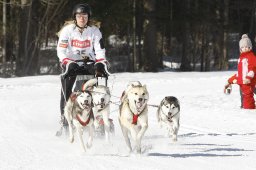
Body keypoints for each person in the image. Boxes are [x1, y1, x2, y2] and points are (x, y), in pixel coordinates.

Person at [57, 3, 109, 129]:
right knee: (66, 91)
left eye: (84, 15)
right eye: (79, 15)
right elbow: (61, 51)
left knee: (102, 77)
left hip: (89, 62)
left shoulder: (94, 31)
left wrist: (100, 63)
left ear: (88, 17)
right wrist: (67, 62)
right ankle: (65, 119)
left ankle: (100, 117)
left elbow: (100, 50)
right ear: (75, 17)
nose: (82, 18)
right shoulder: (67, 30)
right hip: (71, 63)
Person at [224, 34, 256, 109]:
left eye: (246, 47)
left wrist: (248, 77)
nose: (244, 49)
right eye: (242, 47)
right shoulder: (240, 59)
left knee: (248, 95)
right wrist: (230, 80)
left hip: (250, 81)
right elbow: (240, 72)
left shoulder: (251, 57)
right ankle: (243, 107)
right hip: (242, 82)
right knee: (243, 95)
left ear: (250, 47)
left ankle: (249, 109)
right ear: (240, 49)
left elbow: (253, 69)